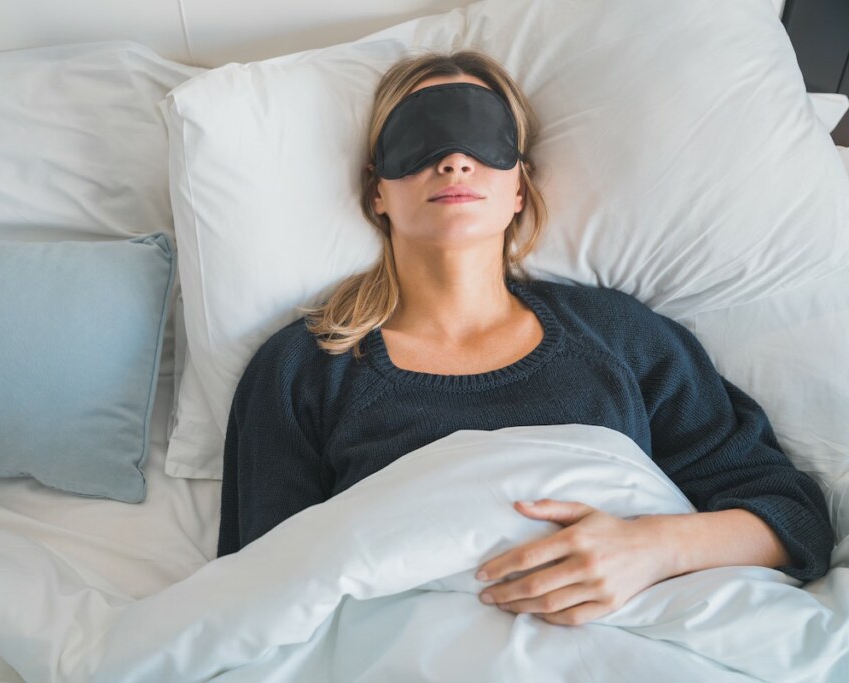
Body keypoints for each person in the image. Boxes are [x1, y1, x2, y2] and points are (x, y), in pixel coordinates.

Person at [215, 49, 834, 626]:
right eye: (420, 141)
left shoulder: (620, 336)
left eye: (484, 141)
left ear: (519, 186)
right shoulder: (303, 367)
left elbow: (792, 517)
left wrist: (653, 547)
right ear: (378, 189)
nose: (455, 161)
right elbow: (266, 587)